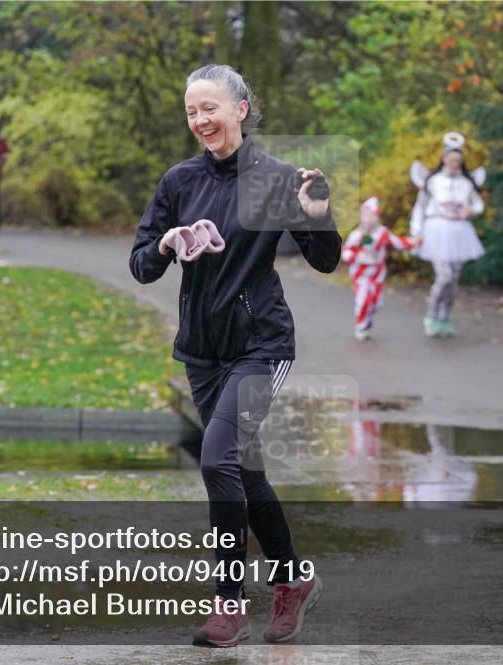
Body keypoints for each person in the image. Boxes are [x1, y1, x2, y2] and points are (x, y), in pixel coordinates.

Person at [129, 64, 340, 647]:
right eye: (192, 111)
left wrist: (317, 213)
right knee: (244, 470)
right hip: (202, 350)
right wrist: (168, 243)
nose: (200, 120)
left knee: (217, 459)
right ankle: (293, 580)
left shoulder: (278, 179)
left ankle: (228, 604)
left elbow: (325, 260)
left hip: (261, 345)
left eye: (210, 108)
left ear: (241, 109)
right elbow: (141, 262)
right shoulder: (178, 181)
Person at [409, 131, 486, 337]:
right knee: (444, 276)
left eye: (458, 161)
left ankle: (445, 317)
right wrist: (416, 232)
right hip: (437, 232)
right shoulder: (432, 181)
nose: (454, 164)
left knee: (454, 279)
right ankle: (432, 314)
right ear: (444, 160)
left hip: (459, 233)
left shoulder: (467, 183)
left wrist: (472, 210)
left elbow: (478, 204)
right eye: (451, 160)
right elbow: (420, 207)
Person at [341, 196, 420, 340]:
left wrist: (414, 242)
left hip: (377, 276)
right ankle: (361, 327)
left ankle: (366, 317)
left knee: (376, 304)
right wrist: (359, 257)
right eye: (366, 215)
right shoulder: (357, 235)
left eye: (372, 215)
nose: (369, 219)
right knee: (363, 300)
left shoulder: (382, 233)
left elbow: (398, 243)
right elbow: (346, 253)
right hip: (361, 276)